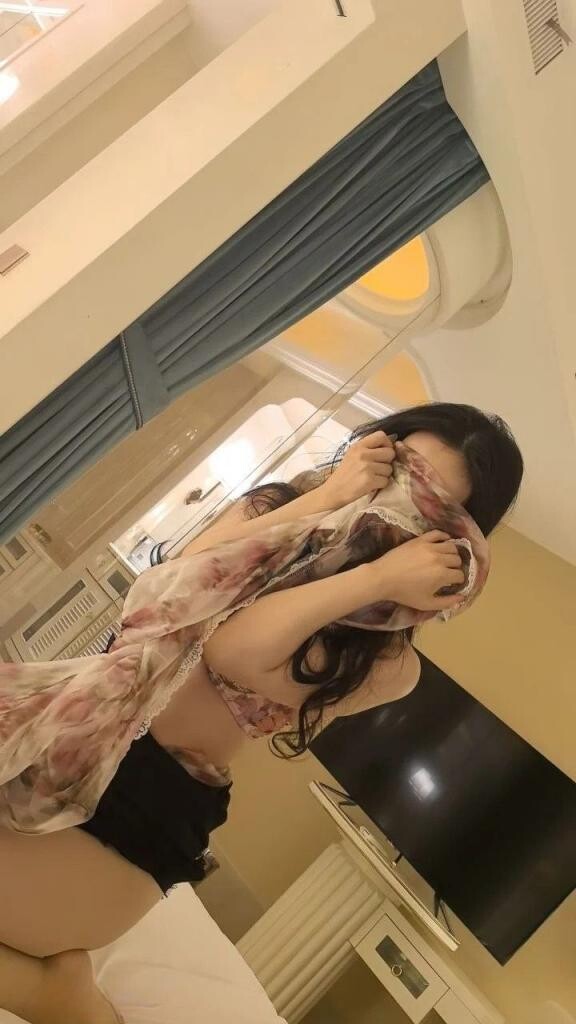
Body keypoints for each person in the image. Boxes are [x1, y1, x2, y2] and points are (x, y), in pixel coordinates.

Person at [0, 403, 523, 964]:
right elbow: (169, 587)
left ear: (453, 543)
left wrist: (378, 579)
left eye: (423, 502)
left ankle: (60, 990)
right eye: (396, 466)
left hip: (150, 800)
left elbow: (233, 652)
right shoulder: (277, 506)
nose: (393, 499)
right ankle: (62, 984)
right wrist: (328, 498)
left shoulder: (389, 662)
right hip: (75, 713)